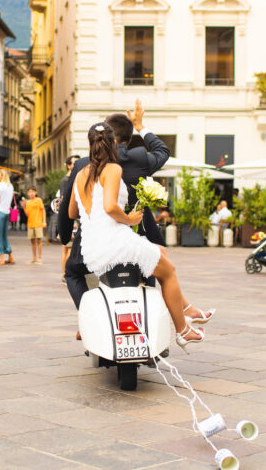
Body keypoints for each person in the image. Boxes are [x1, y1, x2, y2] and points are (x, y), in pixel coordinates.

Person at [69, 122, 210, 349]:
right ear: (114, 143)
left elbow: (72, 212)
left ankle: (183, 312)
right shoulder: (113, 169)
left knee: (159, 252)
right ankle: (183, 330)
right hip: (115, 242)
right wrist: (130, 219)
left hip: (92, 248)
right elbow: (109, 207)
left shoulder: (81, 174)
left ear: (89, 144)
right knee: (169, 272)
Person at [59, 99, 171, 310]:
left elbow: (68, 209)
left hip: (94, 243)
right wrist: (140, 127)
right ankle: (151, 317)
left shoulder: (83, 165)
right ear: (128, 138)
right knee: (151, 270)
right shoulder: (139, 158)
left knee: (72, 272)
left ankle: (89, 317)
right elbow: (162, 151)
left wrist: (65, 236)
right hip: (136, 236)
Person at [59, 155, 79, 282]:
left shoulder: (72, 178)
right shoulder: (66, 180)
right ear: (69, 165)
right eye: (74, 164)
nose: (77, 166)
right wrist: (73, 222)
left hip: (70, 217)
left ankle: (64, 274)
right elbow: (64, 199)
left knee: (67, 249)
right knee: (68, 249)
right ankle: (66, 274)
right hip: (71, 218)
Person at [0, 169, 15, 265]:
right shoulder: (10, 186)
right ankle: (10, 256)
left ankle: (1, 258)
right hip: (6, 212)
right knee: (4, 235)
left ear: (2, 176)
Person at [24, 187, 46, 264]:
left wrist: (44, 221)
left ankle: (39, 258)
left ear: (36, 192)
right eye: (30, 192)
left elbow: (43, 210)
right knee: (32, 242)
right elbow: (27, 214)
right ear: (28, 193)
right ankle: (34, 258)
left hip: (38, 223)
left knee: (39, 241)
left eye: (33, 191)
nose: (31, 193)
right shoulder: (28, 202)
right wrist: (23, 206)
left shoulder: (39, 200)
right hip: (30, 224)